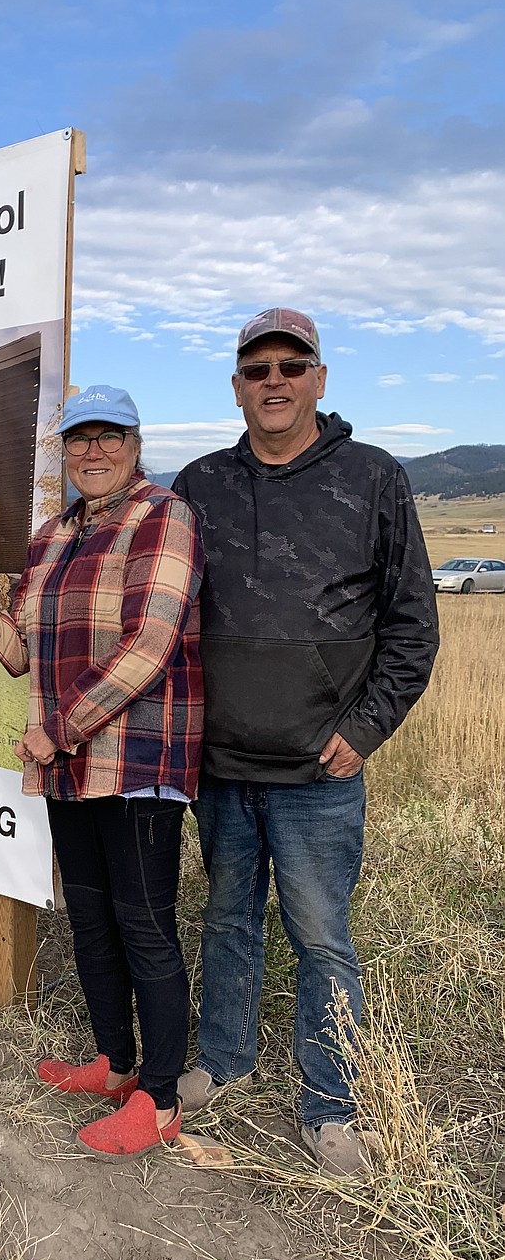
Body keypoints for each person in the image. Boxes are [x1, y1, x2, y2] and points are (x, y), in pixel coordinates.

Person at [172, 308, 440, 1177]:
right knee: (226, 919)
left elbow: (412, 628)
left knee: (323, 938)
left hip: (320, 771)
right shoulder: (199, 485)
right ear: (238, 386)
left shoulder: (373, 478)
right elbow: (164, 613)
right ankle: (222, 1058)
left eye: (293, 365)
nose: (275, 380)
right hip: (222, 766)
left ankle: (331, 1106)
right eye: (258, 369)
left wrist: (363, 730)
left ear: (321, 379)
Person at [0, 386, 204, 1158]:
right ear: (64, 452)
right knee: (90, 919)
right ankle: (115, 1064)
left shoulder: (164, 517)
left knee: (145, 928)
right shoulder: (50, 537)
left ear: (134, 442)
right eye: (78, 440)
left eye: (108, 437)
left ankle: (157, 1099)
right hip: (67, 766)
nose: (93, 452)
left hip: (139, 763)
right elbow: (20, 651)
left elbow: (149, 648)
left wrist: (58, 730)